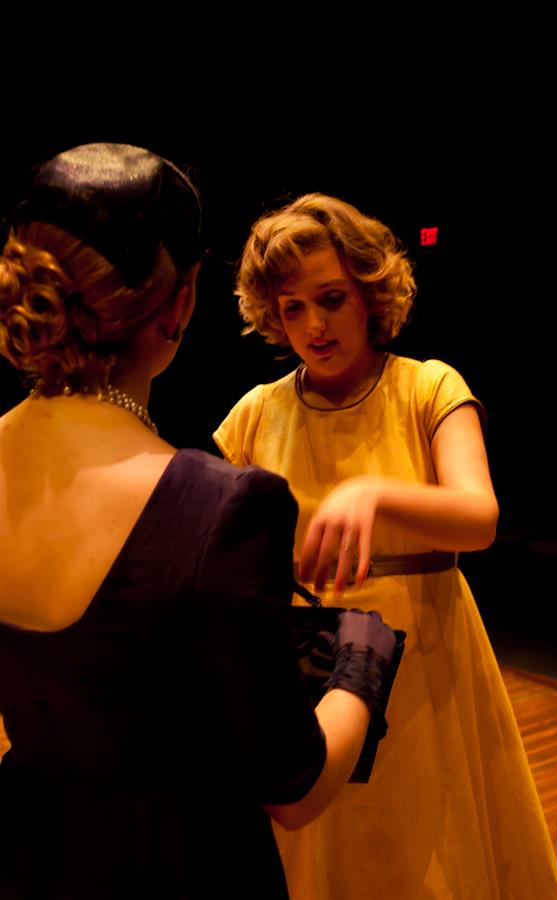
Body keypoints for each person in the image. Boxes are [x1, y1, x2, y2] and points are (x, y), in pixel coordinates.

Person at [0, 148, 399, 900]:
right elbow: (295, 788)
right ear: (180, 303)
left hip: (27, 850)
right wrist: (361, 662)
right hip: (180, 865)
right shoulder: (223, 505)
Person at [213, 193, 557, 899]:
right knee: (326, 847)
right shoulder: (255, 412)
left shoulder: (427, 387)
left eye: (332, 298)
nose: (314, 325)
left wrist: (370, 494)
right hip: (309, 670)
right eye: (292, 308)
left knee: (429, 851)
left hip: (425, 661)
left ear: (369, 293)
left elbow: (478, 518)